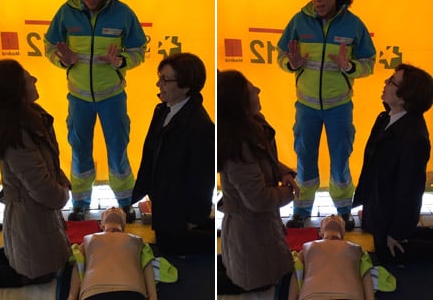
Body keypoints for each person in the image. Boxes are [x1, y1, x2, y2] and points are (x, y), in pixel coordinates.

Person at [44, 0, 147, 222]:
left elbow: (139, 50)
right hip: (78, 98)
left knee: (118, 149)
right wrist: (61, 59)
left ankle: (126, 201)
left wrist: (121, 60)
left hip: (112, 97)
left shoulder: (123, 14)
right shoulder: (66, 13)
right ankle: (80, 202)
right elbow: (50, 45)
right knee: (79, 150)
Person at [276, 0, 376, 230]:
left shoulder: (354, 25)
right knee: (305, 161)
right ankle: (301, 210)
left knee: (340, 163)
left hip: (339, 107)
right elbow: (281, 55)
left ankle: (344, 210)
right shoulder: (299, 21)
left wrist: (350, 66)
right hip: (306, 107)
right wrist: (290, 63)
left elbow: (369, 63)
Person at [218, 70, 300, 293]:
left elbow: (267, 159)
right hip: (251, 240)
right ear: (240, 101)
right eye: (250, 88)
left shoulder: (253, 124)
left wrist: (284, 173)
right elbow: (259, 199)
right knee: (262, 288)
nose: (258, 90)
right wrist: (288, 192)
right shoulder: (238, 146)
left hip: (264, 231)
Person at [0, 60, 71, 288]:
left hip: (33, 216)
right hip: (32, 216)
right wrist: (63, 194)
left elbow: (48, 165)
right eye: (28, 79)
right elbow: (42, 188)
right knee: (39, 272)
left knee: (26, 257)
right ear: (16, 90)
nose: (35, 80)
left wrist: (61, 181)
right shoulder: (18, 132)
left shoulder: (32, 116)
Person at [131, 53, 214, 255]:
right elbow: (150, 157)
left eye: (165, 80)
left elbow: (203, 178)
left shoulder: (199, 126)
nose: (158, 84)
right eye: (160, 77)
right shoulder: (163, 110)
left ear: (186, 86)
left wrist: (195, 218)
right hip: (163, 209)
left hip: (181, 219)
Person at [352, 64, 433, 265]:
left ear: (405, 96)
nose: (385, 83)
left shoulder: (414, 138)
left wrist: (396, 233)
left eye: (391, 81)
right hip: (379, 211)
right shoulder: (386, 118)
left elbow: (410, 191)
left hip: (390, 222)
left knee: (389, 255)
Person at [67, 207, 158, 300]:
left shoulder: (137, 240)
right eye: (107, 210)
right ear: (101, 224)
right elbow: (78, 265)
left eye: (120, 210)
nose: (113, 208)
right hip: (93, 292)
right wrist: (72, 296)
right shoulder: (87, 240)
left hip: (131, 291)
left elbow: (147, 265)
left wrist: (153, 296)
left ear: (124, 224)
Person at [287, 215, 374, 300]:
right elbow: (296, 273)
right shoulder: (306, 247)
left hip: (348, 296)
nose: (332, 215)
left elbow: (366, 275)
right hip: (312, 296)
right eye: (326, 218)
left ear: (344, 231)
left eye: (338, 218)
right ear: (320, 232)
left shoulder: (357, 248)